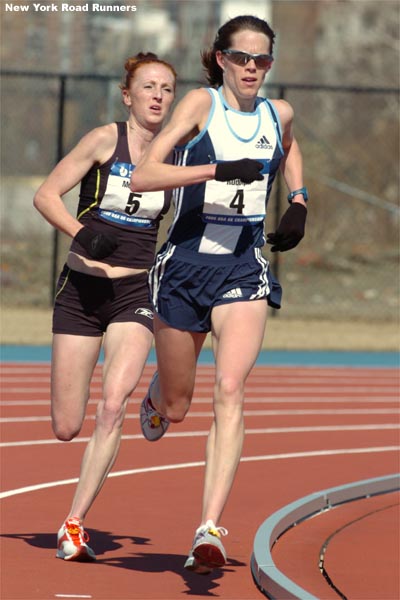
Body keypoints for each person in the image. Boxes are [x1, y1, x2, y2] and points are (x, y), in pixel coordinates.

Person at [130, 15, 308, 574]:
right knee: (180, 404)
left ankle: (208, 527)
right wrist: (214, 168)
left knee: (229, 388)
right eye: (242, 58)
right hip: (183, 265)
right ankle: (159, 396)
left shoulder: (279, 113)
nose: (252, 68)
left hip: (242, 267)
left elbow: (290, 147)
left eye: (263, 60)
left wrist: (299, 200)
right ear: (222, 59)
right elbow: (142, 175)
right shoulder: (200, 108)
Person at [33, 52, 176, 562]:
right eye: (149, 87)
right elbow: (46, 195)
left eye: (167, 88)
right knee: (66, 425)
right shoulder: (103, 140)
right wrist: (81, 233)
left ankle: (73, 524)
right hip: (81, 289)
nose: (158, 96)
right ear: (128, 95)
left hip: (135, 293)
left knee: (112, 405)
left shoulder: (177, 154)